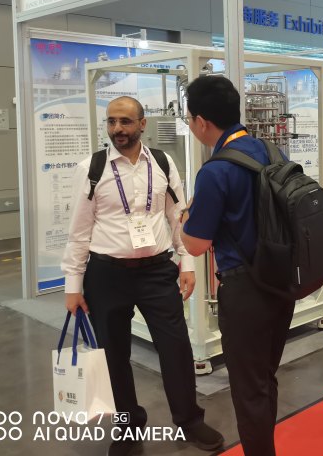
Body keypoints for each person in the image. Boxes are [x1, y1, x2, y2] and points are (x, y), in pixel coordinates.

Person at [62, 96, 224, 456]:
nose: (117, 129)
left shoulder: (163, 163)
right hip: (105, 274)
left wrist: (186, 264)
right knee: (113, 355)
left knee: (176, 347)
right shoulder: (92, 168)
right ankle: (128, 427)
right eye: (111, 122)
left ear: (142, 124)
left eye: (125, 121)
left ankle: (189, 420)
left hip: (156, 272)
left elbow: (177, 218)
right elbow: (78, 231)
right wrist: (73, 285)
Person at [180, 76, 294, 456]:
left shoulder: (215, 171)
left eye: (189, 119)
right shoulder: (272, 151)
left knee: (249, 390)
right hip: (282, 283)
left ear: (201, 122)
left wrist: (185, 216)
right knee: (264, 378)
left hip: (245, 292)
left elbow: (196, 244)